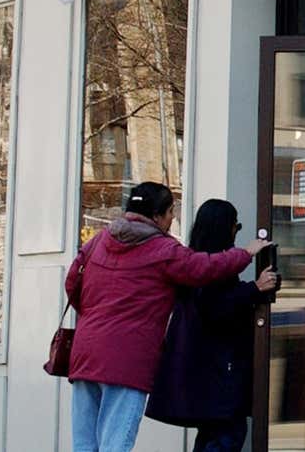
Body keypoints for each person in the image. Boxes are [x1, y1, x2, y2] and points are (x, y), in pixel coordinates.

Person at [65, 182, 271, 452]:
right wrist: (245, 253)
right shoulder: (162, 249)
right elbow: (204, 267)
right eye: (171, 211)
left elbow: (72, 283)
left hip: (85, 352)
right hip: (125, 359)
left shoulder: (99, 240)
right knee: (115, 443)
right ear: (156, 215)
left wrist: (95, 316)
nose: (173, 218)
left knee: (85, 444)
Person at [144, 199, 278, 451]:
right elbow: (214, 305)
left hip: (203, 371)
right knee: (226, 434)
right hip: (218, 370)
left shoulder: (193, 260)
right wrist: (255, 288)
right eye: (235, 226)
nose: (237, 232)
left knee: (212, 436)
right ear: (224, 227)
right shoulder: (212, 265)